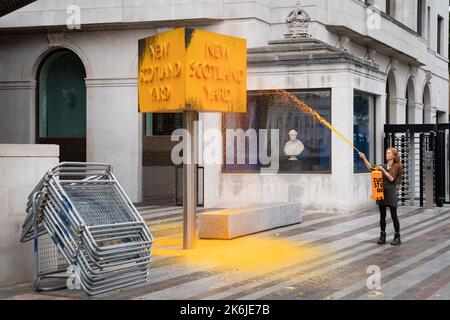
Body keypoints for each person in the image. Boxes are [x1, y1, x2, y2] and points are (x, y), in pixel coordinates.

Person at [359, 148, 403, 246]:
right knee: (382, 215)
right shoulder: (383, 165)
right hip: (381, 193)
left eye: (389, 153)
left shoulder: (397, 166)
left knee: (393, 215)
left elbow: (391, 178)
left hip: (391, 193)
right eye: (386, 153)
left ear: (393, 156)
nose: (386, 154)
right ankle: (382, 236)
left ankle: (397, 237)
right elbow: (370, 168)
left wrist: (382, 170)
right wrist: (364, 158)